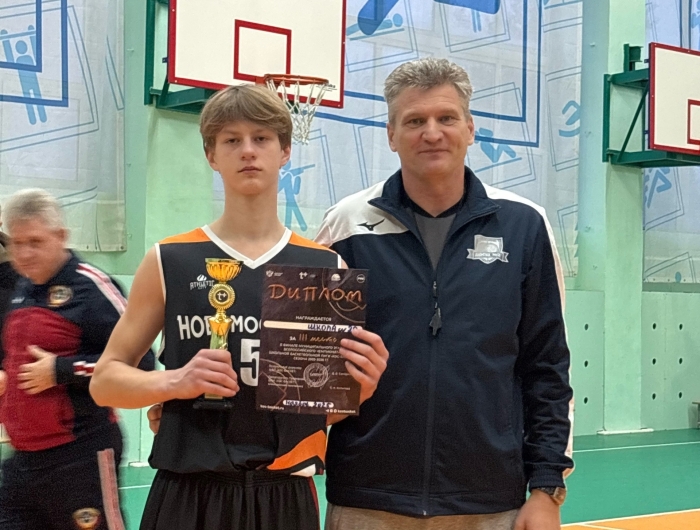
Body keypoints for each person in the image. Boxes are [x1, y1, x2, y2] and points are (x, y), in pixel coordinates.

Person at [89, 84, 389, 530]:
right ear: (211, 155)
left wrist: (361, 388)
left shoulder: (324, 268)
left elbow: (324, 408)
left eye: (261, 138)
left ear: (285, 151)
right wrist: (174, 382)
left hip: (283, 495)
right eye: (232, 140)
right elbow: (105, 382)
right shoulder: (170, 259)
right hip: (187, 492)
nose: (248, 150)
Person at [315, 58, 574, 530]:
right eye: (414, 121)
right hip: (366, 498)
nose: (431, 133)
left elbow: (547, 366)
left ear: (470, 129)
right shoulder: (345, 225)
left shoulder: (524, 225)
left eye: (446, 118)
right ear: (391, 135)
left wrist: (546, 489)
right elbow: (312, 356)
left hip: (490, 500)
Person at [0, 188, 154, 530]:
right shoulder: (21, 289)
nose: (24, 253)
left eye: (35, 242)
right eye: (17, 243)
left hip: (81, 456)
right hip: (22, 461)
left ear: (61, 236)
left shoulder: (92, 287)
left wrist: (61, 370)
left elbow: (141, 364)